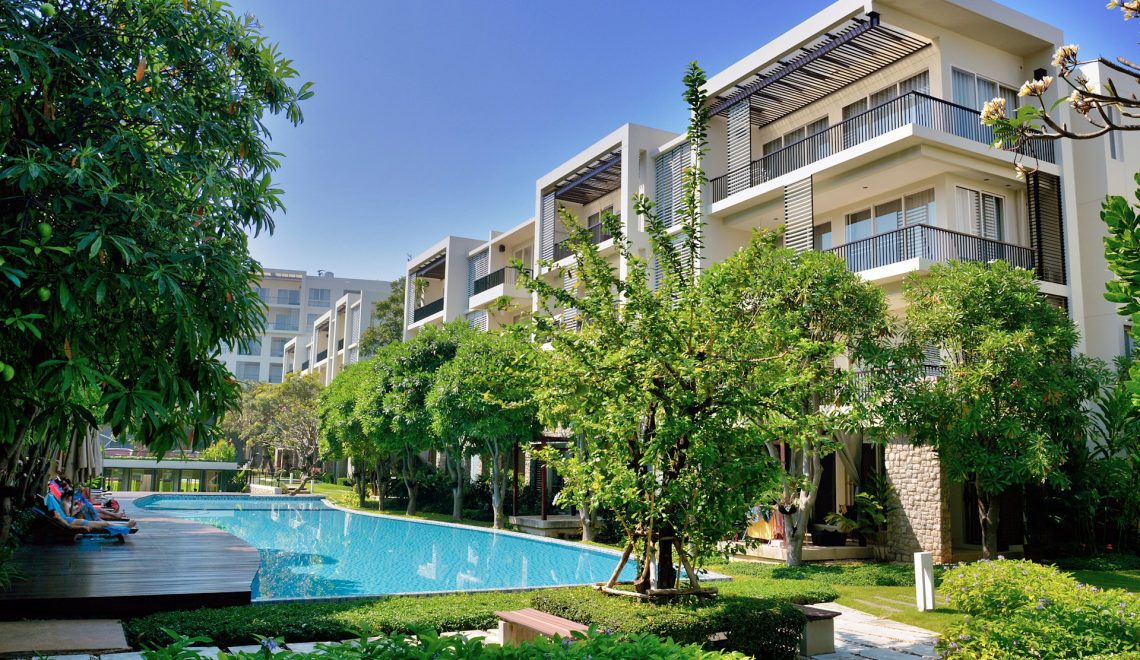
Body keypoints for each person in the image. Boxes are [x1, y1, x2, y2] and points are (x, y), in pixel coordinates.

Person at [53, 490, 136, 530]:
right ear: (68, 496)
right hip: (80, 519)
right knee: (103, 521)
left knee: (101, 517)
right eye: (72, 496)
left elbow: (68, 522)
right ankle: (123, 524)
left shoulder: (64, 516)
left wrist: (76, 507)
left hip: (82, 520)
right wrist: (82, 526)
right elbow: (69, 518)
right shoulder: (64, 506)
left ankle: (120, 521)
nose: (73, 498)